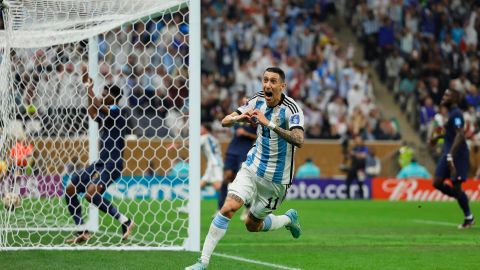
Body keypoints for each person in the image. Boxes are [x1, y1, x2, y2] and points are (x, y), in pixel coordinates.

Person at [186, 67, 304, 270]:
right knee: (228, 207)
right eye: (265, 80)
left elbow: (299, 140)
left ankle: (287, 219)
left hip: (276, 180)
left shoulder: (291, 109)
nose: (267, 85)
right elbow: (225, 121)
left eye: (273, 81)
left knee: (252, 225)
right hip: (252, 167)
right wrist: (238, 118)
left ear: (282, 86)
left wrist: (270, 124)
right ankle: (202, 262)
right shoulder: (257, 99)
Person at [64, 77, 134, 243]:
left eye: (105, 93)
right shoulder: (108, 116)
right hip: (101, 162)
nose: (102, 95)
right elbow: (92, 111)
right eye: (101, 93)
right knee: (70, 189)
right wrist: (90, 92)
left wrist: (89, 88)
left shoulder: (117, 111)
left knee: (91, 194)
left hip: (113, 163)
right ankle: (82, 229)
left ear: (113, 96)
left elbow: (97, 106)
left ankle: (125, 221)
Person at [430, 88, 474, 229]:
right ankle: (461, 197)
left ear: (454, 99)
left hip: (458, 155)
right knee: (437, 182)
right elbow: (450, 134)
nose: (443, 96)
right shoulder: (451, 115)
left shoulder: (456, 114)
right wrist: (437, 137)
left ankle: (468, 217)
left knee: (456, 187)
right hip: (448, 154)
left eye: (447, 95)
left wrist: (450, 156)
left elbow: (460, 135)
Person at [219, 96, 257, 221]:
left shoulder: (256, 117)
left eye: (246, 102)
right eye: (242, 102)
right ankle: (220, 208)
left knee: (241, 180)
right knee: (227, 177)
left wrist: (246, 133)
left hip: (245, 151)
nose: (244, 103)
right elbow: (226, 123)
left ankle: (248, 207)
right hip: (232, 150)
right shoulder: (238, 116)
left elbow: (258, 136)